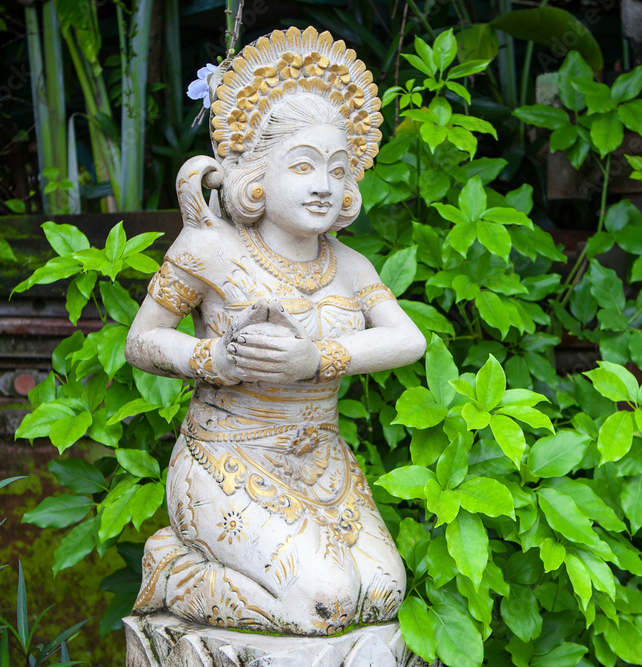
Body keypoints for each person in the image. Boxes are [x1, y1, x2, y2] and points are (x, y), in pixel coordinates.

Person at [125, 26, 426, 636]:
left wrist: (314, 358)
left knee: (384, 594)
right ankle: (176, 571)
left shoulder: (349, 264)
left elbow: (408, 340)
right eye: (303, 165)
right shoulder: (212, 250)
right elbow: (142, 339)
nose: (324, 185)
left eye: (338, 170)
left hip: (321, 459)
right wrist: (216, 360)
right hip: (227, 458)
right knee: (324, 605)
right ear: (257, 173)